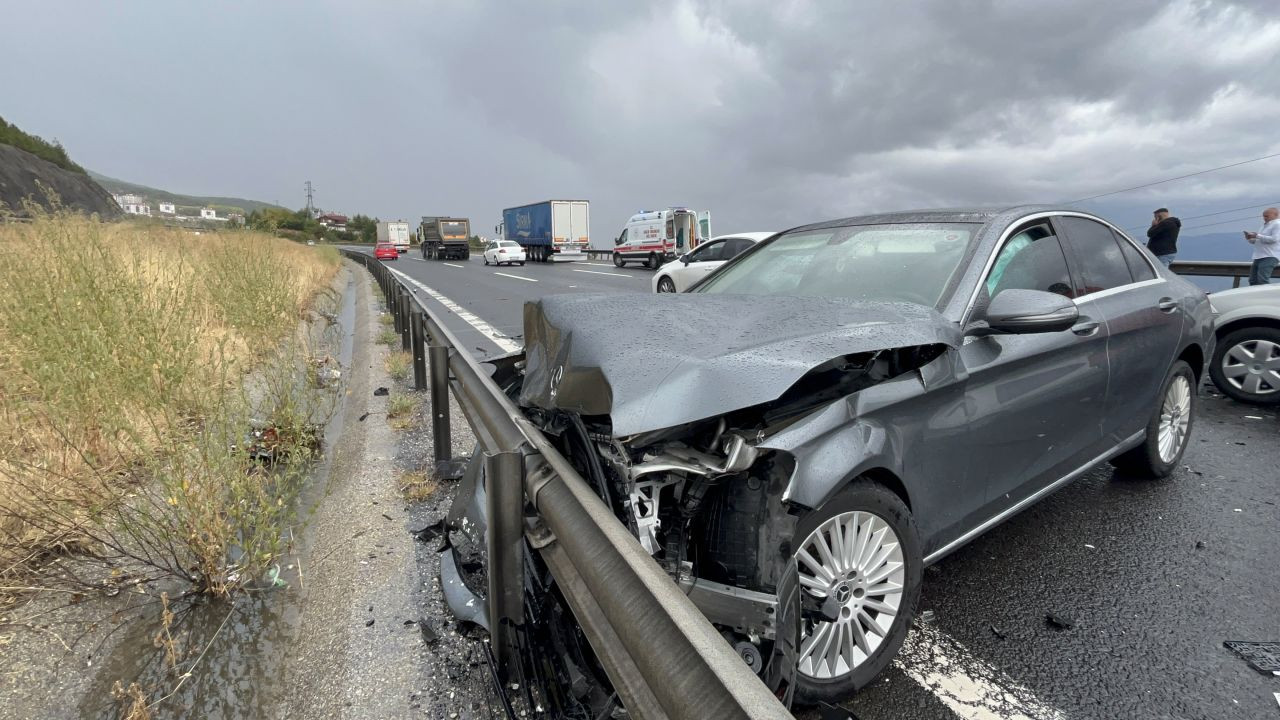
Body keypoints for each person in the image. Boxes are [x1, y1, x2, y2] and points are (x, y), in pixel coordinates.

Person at [1244, 207, 1280, 285]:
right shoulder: (1265, 225)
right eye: (1263, 216)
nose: (1264, 218)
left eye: (1267, 216)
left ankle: (1265, 297)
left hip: (1270, 255)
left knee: (1262, 280)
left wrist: (1257, 235)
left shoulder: (1277, 224)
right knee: (1252, 280)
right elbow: (1260, 240)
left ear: (1276, 215)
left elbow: (1274, 239)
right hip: (1259, 255)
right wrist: (1250, 238)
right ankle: (1254, 296)